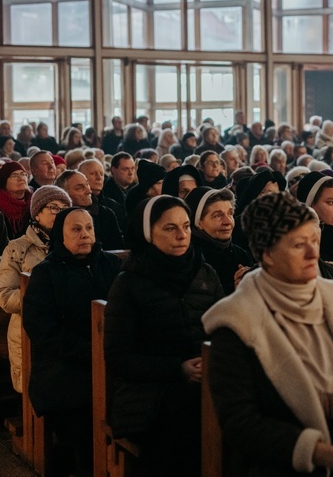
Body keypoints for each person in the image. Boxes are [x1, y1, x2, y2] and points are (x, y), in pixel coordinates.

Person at [201, 191, 333, 476]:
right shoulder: (236, 321)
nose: (312, 254)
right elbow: (240, 422)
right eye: (298, 245)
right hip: (280, 466)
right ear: (267, 253)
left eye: (314, 241)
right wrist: (319, 453)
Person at [104, 195, 224, 475]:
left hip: (204, 380)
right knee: (184, 426)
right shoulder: (129, 284)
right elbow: (118, 357)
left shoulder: (204, 273)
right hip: (149, 393)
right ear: (149, 233)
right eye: (171, 228)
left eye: (185, 226)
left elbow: (224, 328)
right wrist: (177, 369)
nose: (182, 235)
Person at [22, 208, 121, 475]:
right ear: (61, 236)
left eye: (89, 228)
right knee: (82, 421)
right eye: (76, 229)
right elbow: (42, 329)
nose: (85, 235)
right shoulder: (47, 273)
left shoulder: (112, 266)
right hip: (64, 367)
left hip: (112, 361)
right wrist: (92, 353)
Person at [0, 186, 71, 393]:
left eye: (65, 209)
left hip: (67, 330)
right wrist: (41, 298)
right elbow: (4, 295)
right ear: (36, 213)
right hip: (28, 331)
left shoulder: (74, 247)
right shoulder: (17, 248)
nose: (60, 213)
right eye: (54, 208)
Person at [185, 187, 253, 295]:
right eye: (217, 215)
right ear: (199, 222)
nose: (228, 221)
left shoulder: (241, 254)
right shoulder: (190, 257)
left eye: (230, 213)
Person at [56, 170, 125, 250]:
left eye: (87, 185)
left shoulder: (106, 214)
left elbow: (118, 251)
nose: (89, 191)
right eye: (80, 188)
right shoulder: (57, 217)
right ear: (64, 194)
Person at [0, 161, 32, 239]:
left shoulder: (36, 202)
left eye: (23, 174)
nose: (21, 178)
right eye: (14, 175)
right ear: (4, 182)